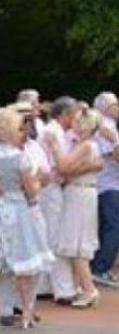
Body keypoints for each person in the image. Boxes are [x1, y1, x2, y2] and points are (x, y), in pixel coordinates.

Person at [0, 108, 52, 331]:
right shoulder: (19, 158)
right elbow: (31, 191)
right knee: (22, 264)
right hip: (15, 212)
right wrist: (38, 183)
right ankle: (26, 313)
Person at [44, 108, 103, 308]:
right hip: (79, 193)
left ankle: (89, 289)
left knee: (76, 244)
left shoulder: (86, 145)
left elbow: (63, 166)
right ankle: (83, 287)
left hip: (79, 195)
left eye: (77, 122)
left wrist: (54, 146)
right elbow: (71, 170)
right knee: (75, 241)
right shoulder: (87, 146)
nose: (73, 125)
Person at [36, 97, 79, 303]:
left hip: (51, 187)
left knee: (49, 235)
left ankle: (45, 284)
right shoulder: (53, 133)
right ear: (64, 114)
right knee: (56, 236)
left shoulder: (55, 132)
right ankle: (63, 289)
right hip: (51, 188)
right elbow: (58, 167)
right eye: (73, 113)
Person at [91, 92, 119, 287]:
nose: (117, 108)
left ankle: (101, 266)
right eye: (114, 105)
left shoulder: (109, 126)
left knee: (108, 226)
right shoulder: (105, 126)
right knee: (112, 226)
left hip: (110, 184)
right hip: (107, 185)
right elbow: (114, 156)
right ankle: (101, 268)